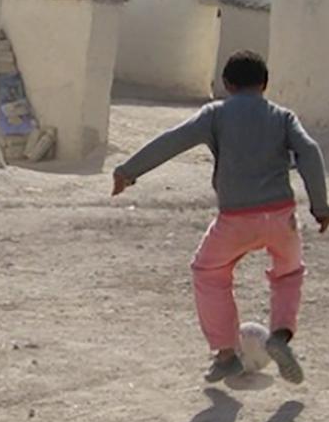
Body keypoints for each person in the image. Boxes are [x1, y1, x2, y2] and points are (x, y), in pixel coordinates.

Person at [112, 51, 329, 384]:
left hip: (236, 217)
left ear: (227, 84)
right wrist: (320, 207)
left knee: (209, 271)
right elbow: (310, 152)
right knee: (289, 273)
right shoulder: (283, 117)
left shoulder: (216, 114)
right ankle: (280, 336)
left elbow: (172, 140)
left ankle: (226, 354)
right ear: (265, 84)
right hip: (282, 215)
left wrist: (128, 171)